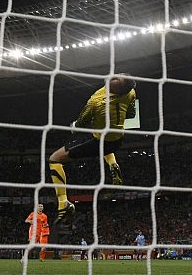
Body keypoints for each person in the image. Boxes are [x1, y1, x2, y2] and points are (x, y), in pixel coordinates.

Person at [48, 74, 137, 223]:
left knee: (54, 159)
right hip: (117, 140)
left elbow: (80, 125)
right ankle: (113, 164)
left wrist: (73, 125)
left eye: (118, 78)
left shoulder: (96, 101)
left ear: (116, 87)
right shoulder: (130, 93)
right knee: (105, 143)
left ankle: (63, 202)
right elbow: (132, 114)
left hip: (98, 141)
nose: (115, 75)